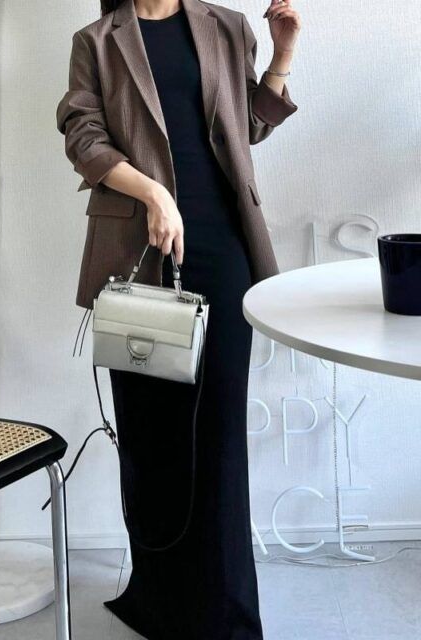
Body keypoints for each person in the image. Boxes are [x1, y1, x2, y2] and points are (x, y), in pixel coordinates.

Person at [56, 0, 300, 637]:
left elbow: (248, 125)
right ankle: (159, 602)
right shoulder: (97, 40)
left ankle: (226, 618)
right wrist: (154, 193)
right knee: (149, 432)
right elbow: (82, 136)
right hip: (137, 253)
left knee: (218, 435)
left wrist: (282, 55)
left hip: (222, 245)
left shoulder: (227, 26)